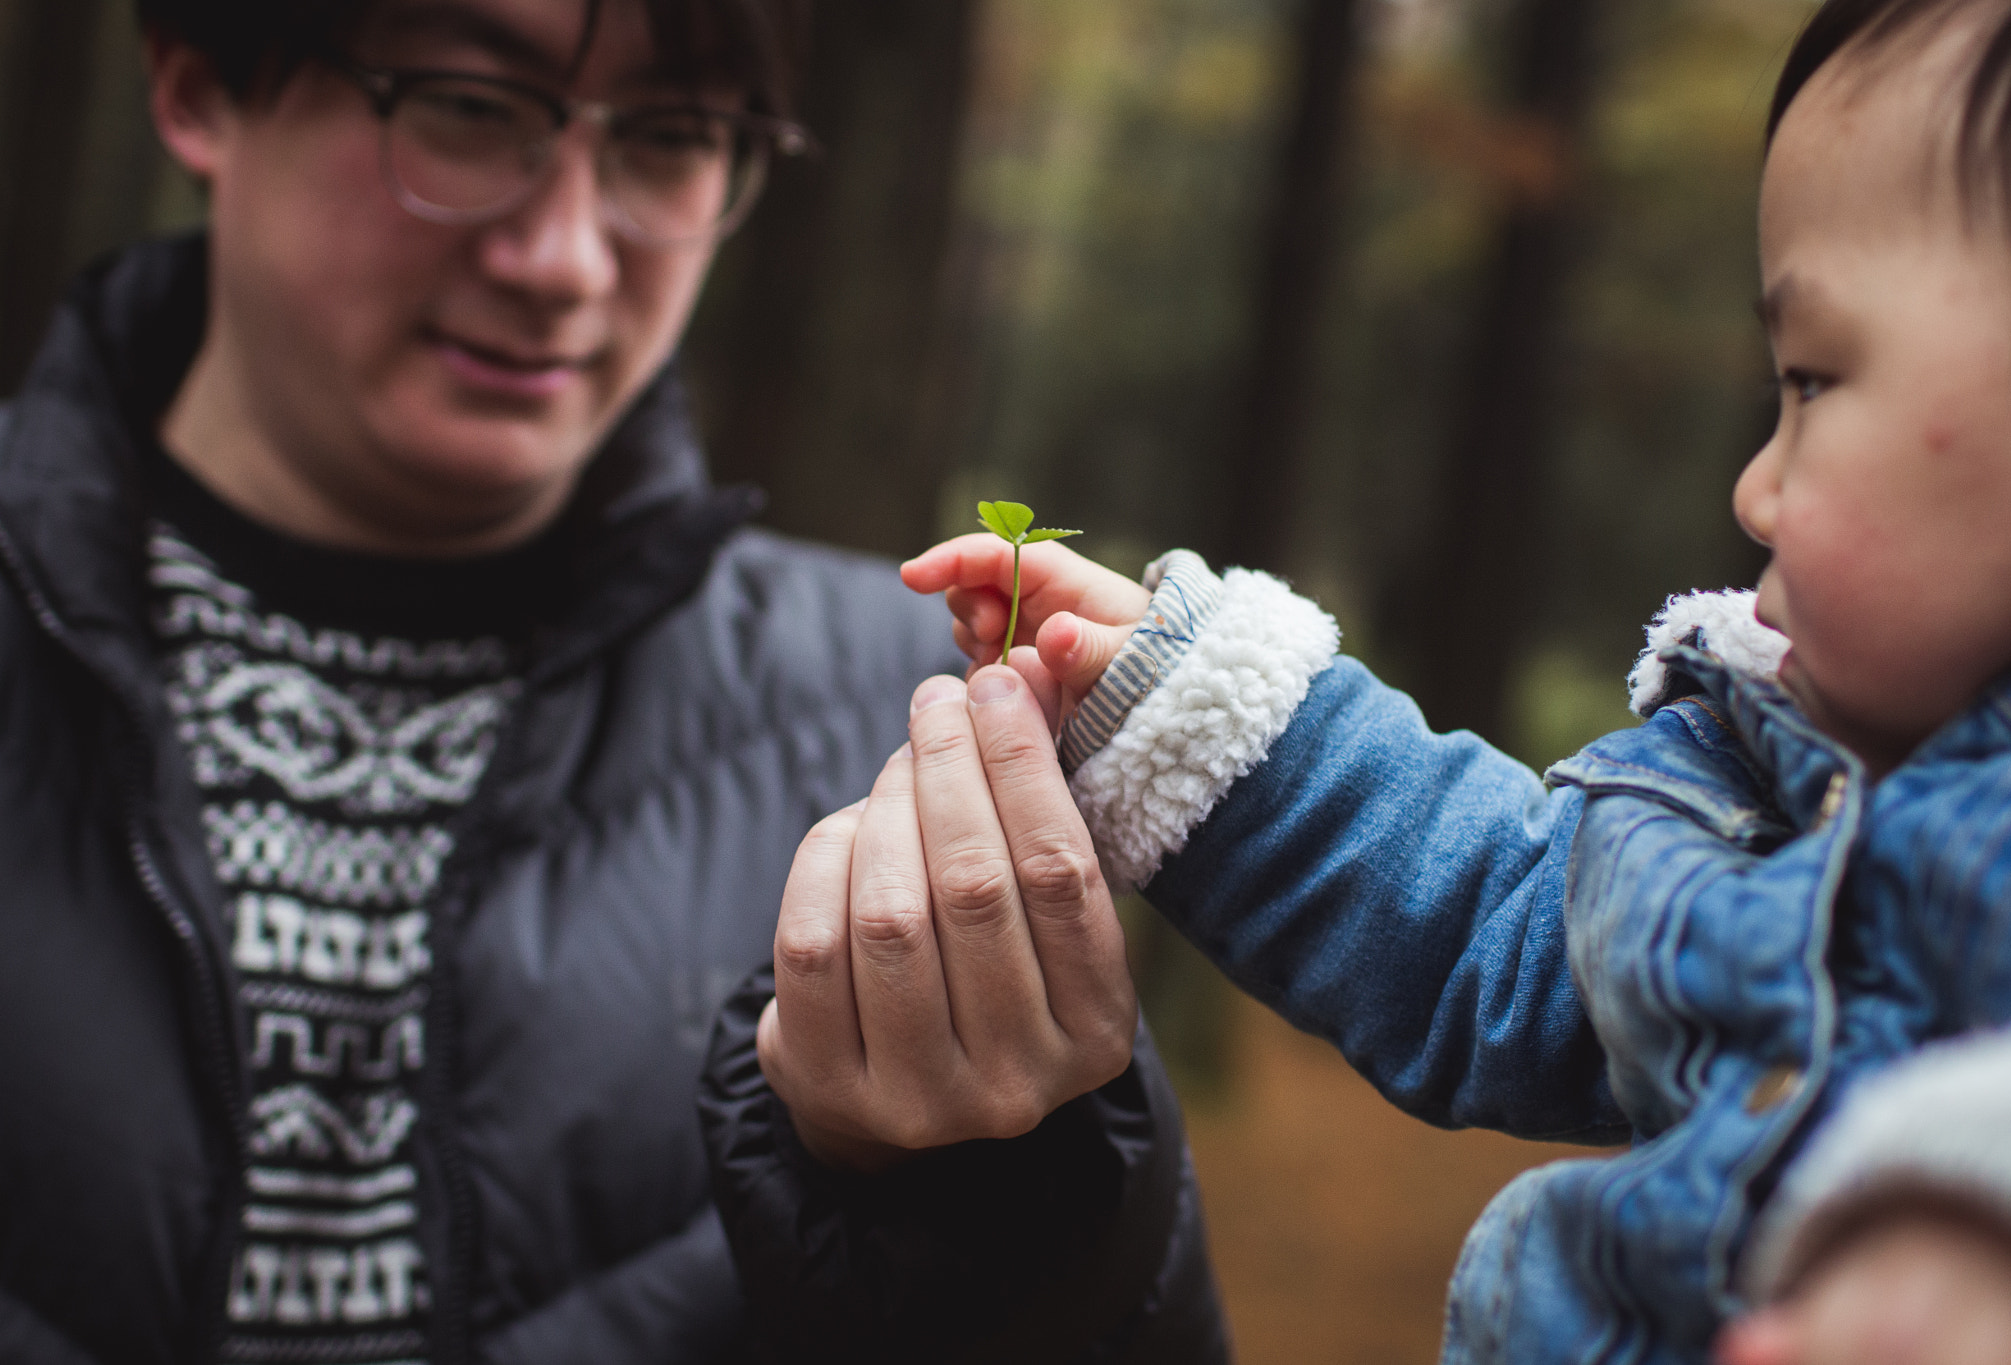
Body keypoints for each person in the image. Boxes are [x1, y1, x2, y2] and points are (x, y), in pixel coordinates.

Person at [0, 0, 1227, 1361]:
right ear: (195, 85)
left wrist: (989, 1213)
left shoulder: (918, 723)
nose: (567, 258)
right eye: (466, 107)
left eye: (671, 135)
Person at [903, 0, 2011, 1360]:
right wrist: (1175, 689)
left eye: (1812, 379)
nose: (1755, 490)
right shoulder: (1758, 799)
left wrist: (1990, 1213)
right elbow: (1502, 916)